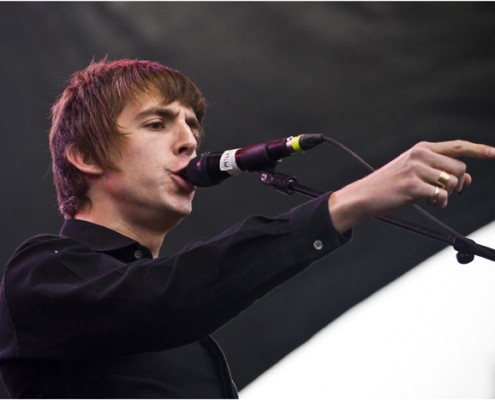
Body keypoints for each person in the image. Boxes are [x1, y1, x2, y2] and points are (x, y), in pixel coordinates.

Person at [0, 58, 493, 399]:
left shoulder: (186, 332)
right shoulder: (41, 272)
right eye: (157, 124)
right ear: (85, 157)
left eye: (193, 126)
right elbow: (162, 301)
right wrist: (347, 202)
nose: (189, 141)